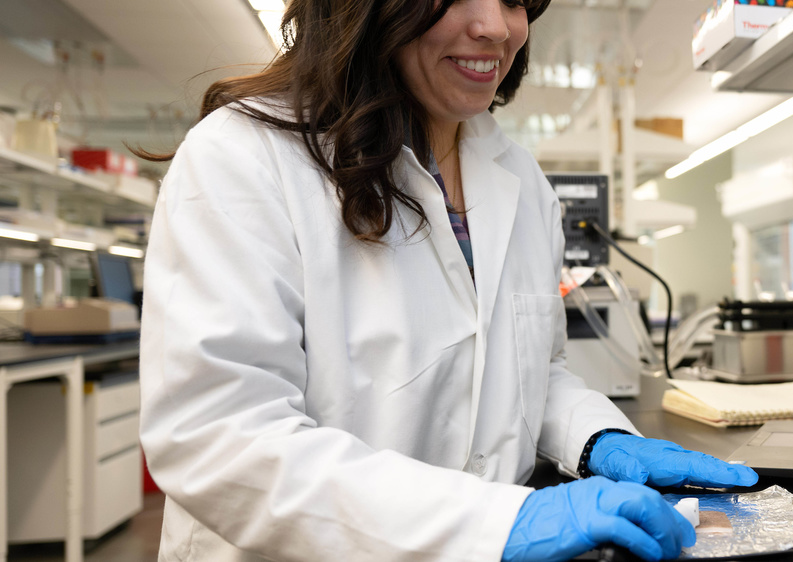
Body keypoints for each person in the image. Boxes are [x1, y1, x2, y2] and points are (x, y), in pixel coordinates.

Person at [136, 1, 757, 561]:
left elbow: (532, 371)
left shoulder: (519, 178)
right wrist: (494, 525)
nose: (496, 27)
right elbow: (222, 440)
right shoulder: (243, 157)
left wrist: (596, 439)